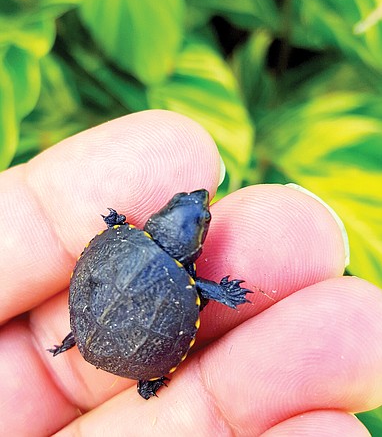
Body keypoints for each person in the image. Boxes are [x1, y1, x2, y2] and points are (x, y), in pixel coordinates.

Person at [0, 110, 380, 436]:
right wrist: (228, 294)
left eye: (198, 210)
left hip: (88, 328)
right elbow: (202, 291)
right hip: (130, 355)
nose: (198, 198)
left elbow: (179, 281)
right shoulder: (179, 275)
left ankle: (110, 361)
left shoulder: (125, 235)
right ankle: (147, 383)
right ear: (195, 242)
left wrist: (117, 222)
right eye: (195, 209)